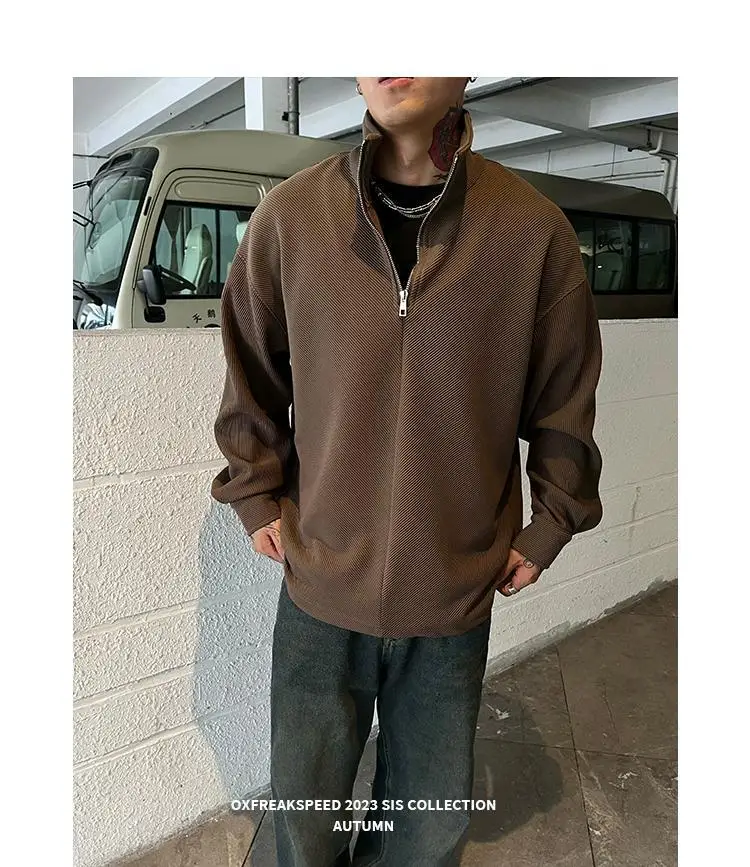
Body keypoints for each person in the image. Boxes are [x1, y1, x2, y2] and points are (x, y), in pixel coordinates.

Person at [211, 76, 603, 867]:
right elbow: (251, 369)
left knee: (424, 830)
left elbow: (565, 395)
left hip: (453, 590)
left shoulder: (532, 232)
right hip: (320, 585)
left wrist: (552, 521)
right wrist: (254, 492)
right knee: (304, 820)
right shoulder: (293, 217)